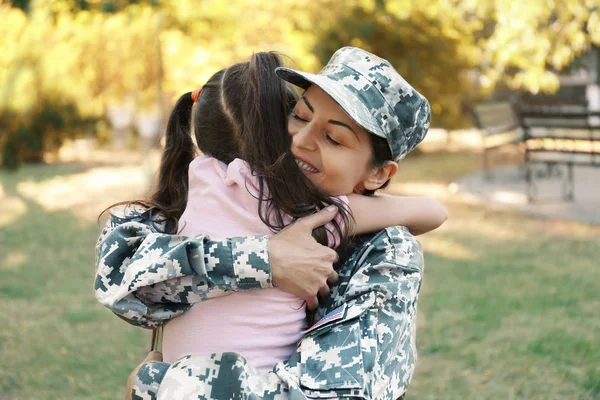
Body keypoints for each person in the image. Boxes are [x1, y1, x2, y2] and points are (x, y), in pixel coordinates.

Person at [95, 47, 435, 399]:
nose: (301, 141)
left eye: (333, 138)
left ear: (379, 174)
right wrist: (265, 258)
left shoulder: (387, 253)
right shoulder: (233, 189)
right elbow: (119, 282)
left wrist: (156, 388)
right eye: (300, 117)